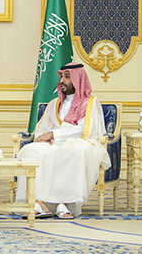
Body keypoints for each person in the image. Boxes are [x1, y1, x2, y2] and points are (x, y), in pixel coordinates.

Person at [16, 63, 111, 219]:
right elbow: (42, 127)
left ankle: (64, 203)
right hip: (54, 143)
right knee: (30, 151)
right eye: (62, 77)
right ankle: (38, 202)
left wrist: (53, 135)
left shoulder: (90, 104)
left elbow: (83, 130)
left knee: (71, 151)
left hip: (80, 141)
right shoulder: (54, 104)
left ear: (78, 80)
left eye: (67, 77)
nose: (62, 81)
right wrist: (44, 138)